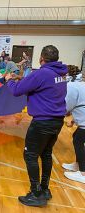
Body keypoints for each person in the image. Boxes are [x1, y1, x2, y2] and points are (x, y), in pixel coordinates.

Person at [5, 45, 67, 207]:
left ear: (41, 58)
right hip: (57, 120)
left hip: (42, 122)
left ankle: (36, 193)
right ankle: (45, 189)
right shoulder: (60, 73)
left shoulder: (42, 73)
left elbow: (17, 91)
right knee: (46, 154)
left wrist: (9, 81)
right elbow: (42, 87)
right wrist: (23, 80)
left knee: (30, 155)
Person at [62, 65, 85, 184]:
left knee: (78, 141)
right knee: (77, 137)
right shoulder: (81, 83)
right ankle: (77, 165)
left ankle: (83, 173)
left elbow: (68, 105)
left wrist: (64, 113)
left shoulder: (71, 85)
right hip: (82, 120)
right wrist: (74, 120)